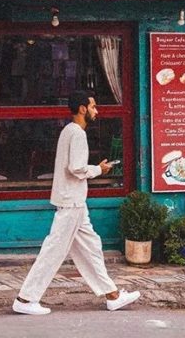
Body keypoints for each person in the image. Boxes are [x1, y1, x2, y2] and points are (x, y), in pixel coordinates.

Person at [12, 90, 140, 316]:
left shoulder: (68, 131)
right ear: (82, 108)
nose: (96, 111)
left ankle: (112, 295)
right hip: (71, 202)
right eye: (93, 107)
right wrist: (99, 169)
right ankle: (25, 298)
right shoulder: (78, 134)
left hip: (74, 202)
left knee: (92, 248)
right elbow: (76, 168)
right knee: (53, 252)